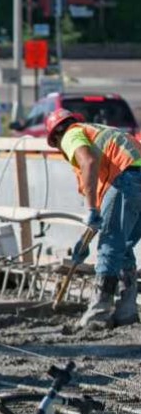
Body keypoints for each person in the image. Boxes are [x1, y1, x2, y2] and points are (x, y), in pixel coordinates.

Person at [44, 109, 141, 329]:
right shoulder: (99, 131)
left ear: (56, 137)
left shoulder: (71, 134)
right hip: (135, 178)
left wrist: (92, 210)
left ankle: (99, 311)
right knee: (122, 246)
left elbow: (87, 162)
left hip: (127, 178)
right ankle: (126, 310)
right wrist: (88, 235)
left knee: (109, 245)